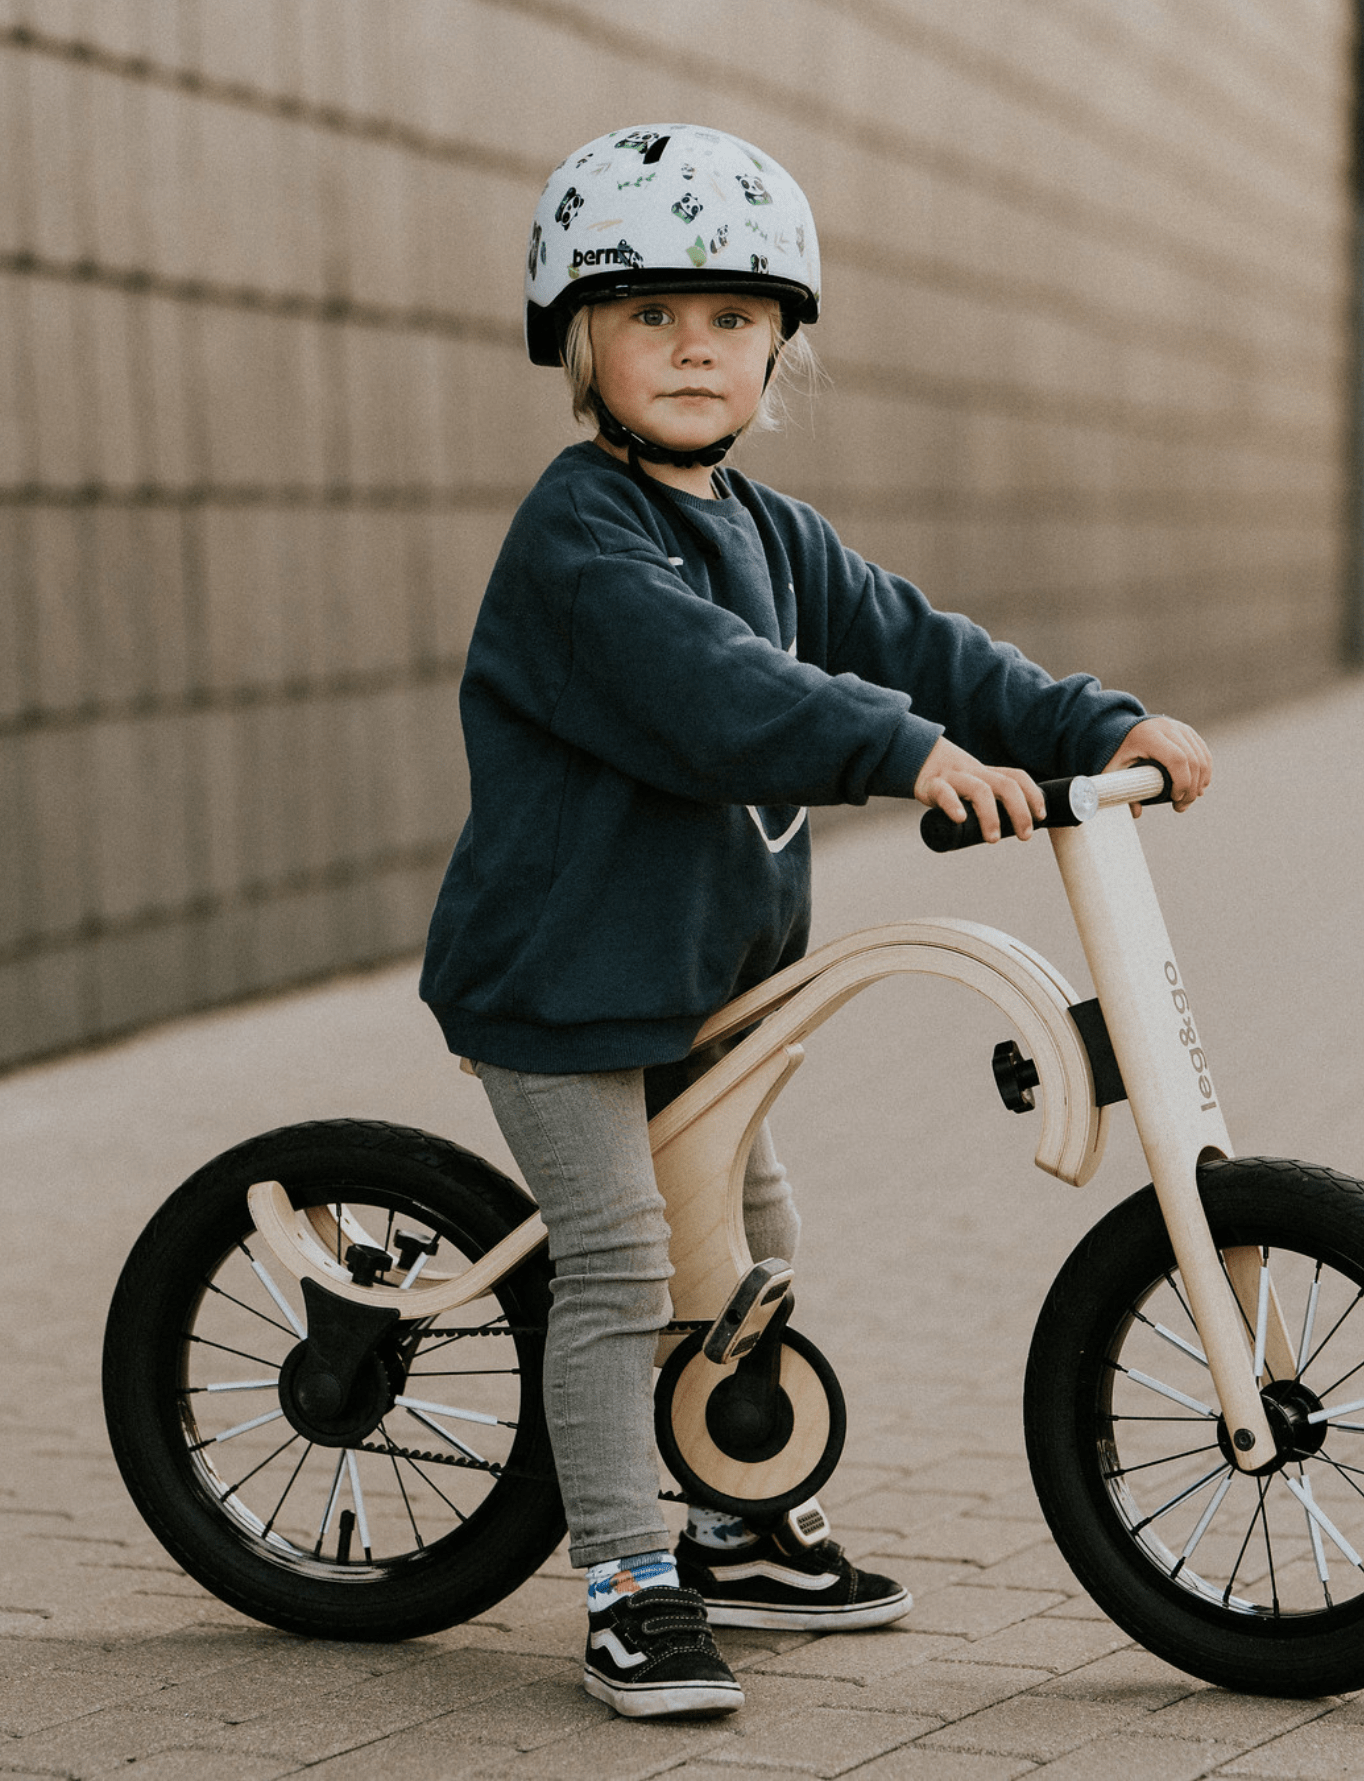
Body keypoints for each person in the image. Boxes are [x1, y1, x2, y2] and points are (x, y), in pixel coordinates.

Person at [420, 123, 1212, 1720]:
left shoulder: (775, 536)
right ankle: (630, 1583)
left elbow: (926, 645)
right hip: (565, 985)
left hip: (708, 985)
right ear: (580, 342)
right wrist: (904, 754)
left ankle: (733, 1516)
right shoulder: (583, 539)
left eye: (729, 317)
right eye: (648, 316)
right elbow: (721, 698)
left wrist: (1090, 729)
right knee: (624, 1266)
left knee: (755, 1245)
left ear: (782, 343)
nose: (693, 348)